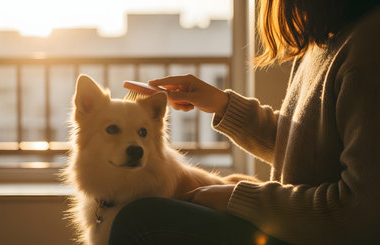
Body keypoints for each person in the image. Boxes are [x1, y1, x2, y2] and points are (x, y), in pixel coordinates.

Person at [108, 0, 380, 244]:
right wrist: (220, 104)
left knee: (140, 220)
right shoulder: (325, 39)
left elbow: (357, 214)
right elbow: (305, 149)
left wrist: (236, 198)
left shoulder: (367, 50)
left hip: (309, 234)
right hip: (296, 228)